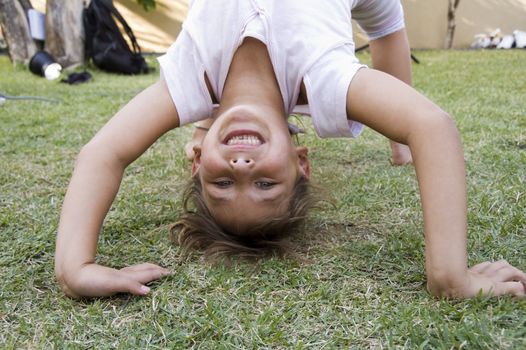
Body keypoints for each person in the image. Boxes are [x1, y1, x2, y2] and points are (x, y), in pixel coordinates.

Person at [55, 0, 526, 299]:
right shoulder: (326, 77)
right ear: (302, 162)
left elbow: (102, 154)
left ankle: (395, 142)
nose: (242, 165)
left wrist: (75, 267)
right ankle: (396, 142)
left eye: (223, 182)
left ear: (198, 161)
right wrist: (450, 278)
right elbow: (434, 126)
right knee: (387, 24)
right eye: (264, 182)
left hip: (208, 107)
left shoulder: (186, 80)